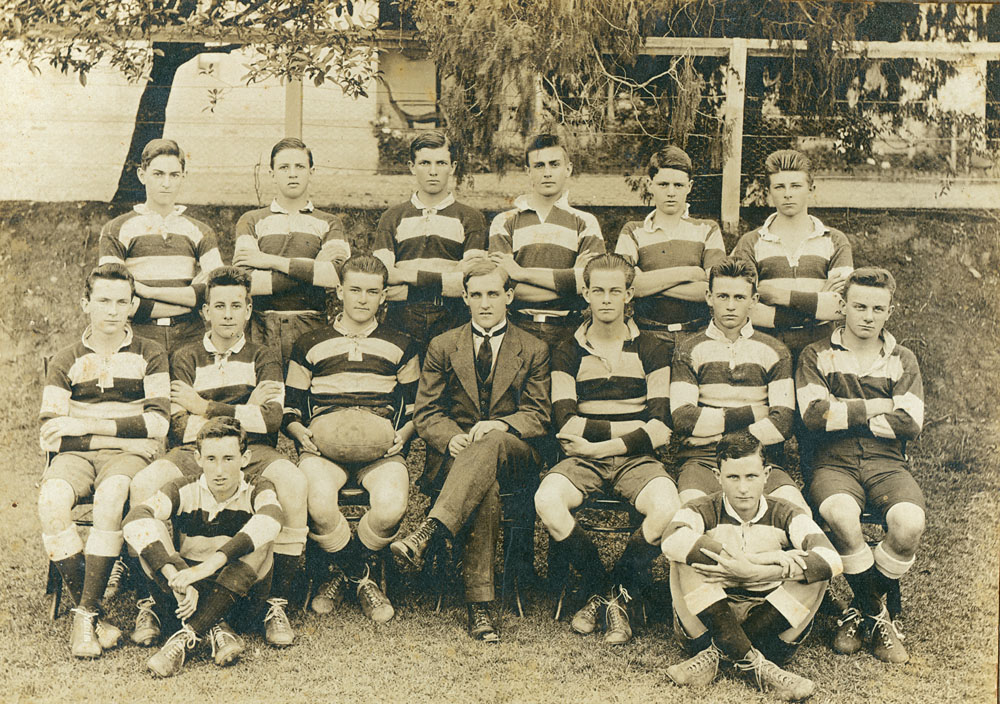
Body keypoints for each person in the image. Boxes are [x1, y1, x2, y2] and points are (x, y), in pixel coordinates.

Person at [127, 266, 308, 648]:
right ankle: (158, 596)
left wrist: (204, 406)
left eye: (236, 305)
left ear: (248, 310)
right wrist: (244, 407)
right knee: (144, 484)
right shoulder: (186, 356)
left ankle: (276, 602)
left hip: (255, 451)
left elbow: (270, 419)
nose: (228, 314)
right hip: (194, 451)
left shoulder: (265, 356)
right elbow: (179, 428)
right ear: (205, 311)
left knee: (292, 481)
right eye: (219, 305)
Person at [390, 260, 550, 643]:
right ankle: (480, 605)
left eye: (493, 294)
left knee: (490, 441)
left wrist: (500, 425)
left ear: (509, 296)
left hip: (515, 455)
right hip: (454, 458)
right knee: (486, 489)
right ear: (464, 297)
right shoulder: (444, 345)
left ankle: (428, 530)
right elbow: (427, 412)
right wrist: (450, 438)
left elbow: (539, 414)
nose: (485, 303)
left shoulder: (533, 348)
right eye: (475, 295)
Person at [534, 253, 678, 646]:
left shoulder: (653, 348)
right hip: (580, 458)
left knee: (668, 507)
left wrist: (603, 446)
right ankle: (604, 587)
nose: (606, 299)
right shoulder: (567, 349)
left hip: (635, 460)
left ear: (630, 293)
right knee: (548, 500)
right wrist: (630, 432)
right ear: (585, 293)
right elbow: (565, 422)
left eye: (616, 290)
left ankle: (612, 591)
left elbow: (661, 426)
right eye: (597, 290)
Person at [37, 263, 169, 658]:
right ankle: (92, 616)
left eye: (121, 302)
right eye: (103, 301)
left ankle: (84, 617)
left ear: (133, 305)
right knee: (51, 502)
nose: (112, 310)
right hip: (78, 456)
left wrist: (81, 423)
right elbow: (50, 430)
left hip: (124, 461)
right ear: (85, 303)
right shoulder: (67, 358)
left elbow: (158, 422)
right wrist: (118, 432)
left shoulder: (151, 352)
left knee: (112, 497)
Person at [796, 267, 924, 664]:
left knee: (909, 524)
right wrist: (880, 406)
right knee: (841, 514)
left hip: (887, 462)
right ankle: (876, 614)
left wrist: (844, 411)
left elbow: (910, 423)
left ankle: (860, 611)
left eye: (877, 308)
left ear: (889, 311)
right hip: (832, 461)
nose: (868, 316)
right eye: (859, 306)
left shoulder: (903, 358)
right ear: (843, 307)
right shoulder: (816, 354)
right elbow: (814, 416)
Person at [284, 255, 419, 624]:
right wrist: (301, 433)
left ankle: (341, 572)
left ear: (384, 296)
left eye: (372, 291)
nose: (362, 298)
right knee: (319, 504)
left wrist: (403, 435)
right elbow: (290, 408)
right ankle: (362, 575)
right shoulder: (309, 343)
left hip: (380, 454)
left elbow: (415, 409)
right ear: (339, 291)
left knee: (392, 507)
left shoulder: (402, 345)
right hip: (323, 453)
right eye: (354, 289)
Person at [662, 431, 842, 702]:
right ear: (717, 476)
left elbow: (831, 559)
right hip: (709, 621)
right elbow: (671, 540)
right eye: (733, 477)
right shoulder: (700, 508)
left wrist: (762, 571)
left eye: (751, 477)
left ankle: (717, 655)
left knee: (815, 574)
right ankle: (760, 667)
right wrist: (748, 563)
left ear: (767, 475)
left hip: (773, 625)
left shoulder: (786, 512)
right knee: (683, 558)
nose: (743, 488)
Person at [123, 418, 285, 677]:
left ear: (245, 458)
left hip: (238, 597)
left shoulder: (258, 487)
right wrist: (178, 579)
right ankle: (216, 628)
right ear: (198, 458)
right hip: (186, 596)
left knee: (262, 539)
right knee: (148, 529)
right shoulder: (183, 487)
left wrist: (208, 567)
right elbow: (134, 520)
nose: (219, 470)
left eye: (229, 459)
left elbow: (272, 519)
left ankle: (186, 637)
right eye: (211, 459)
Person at [670, 257, 808, 512]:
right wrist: (755, 413)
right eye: (723, 297)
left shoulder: (775, 350)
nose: (730, 306)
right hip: (703, 460)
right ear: (709, 297)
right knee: (688, 518)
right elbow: (684, 419)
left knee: (799, 513)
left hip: (759, 458)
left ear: (754, 300)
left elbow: (782, 423)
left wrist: (720, 436)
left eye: (739, 297)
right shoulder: (688, 349)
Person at [233, 137, 351, 367]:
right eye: (284, 167)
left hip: (312, 325)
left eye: (300, 167)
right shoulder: (250, 221)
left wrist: (268, 261)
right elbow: (247, 283)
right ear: (272, 173)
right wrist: (311, 271)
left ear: (312, 171)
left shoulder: (329, 223)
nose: (292, 174)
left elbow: (337, 275)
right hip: (261, 326)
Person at [99, 138, 224, 353]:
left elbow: (216, 291)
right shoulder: (117, 229)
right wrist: (188, 303)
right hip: (138, 335)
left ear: (183, 177)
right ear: (142, 175)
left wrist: (146, 291)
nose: (166, 183)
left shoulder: (200, 231)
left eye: (174, 175)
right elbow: (115, 296)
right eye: (158, 174)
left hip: (190, 335)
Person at [373, 130, 488, 357]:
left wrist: (406, 276)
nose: (433, 171)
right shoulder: (392, 216)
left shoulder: (471, 218)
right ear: (412, 166)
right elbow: (383, 276)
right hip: (402, 317)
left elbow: (465, 282)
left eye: (441, 163)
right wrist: (445, 278)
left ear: (453, 167)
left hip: (452, 317)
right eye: (425, 163)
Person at [489, 133, 605, 352]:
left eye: (554, 164)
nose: (547, 173)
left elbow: (593, 285)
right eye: (539, 165)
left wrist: (520, 273)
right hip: (518, 328)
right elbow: (502, 287)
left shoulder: (586, 223)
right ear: (528, 171)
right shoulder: (504, 222)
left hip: (570, 330)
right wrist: (571, 281)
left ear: (568, 169)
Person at [615, 146, 725, 348]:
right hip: (647, 335)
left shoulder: (707, 229)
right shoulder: (633, 231)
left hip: (698, 335)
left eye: (678, 185)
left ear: (690, 187)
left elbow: (715, 292)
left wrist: (648, 283)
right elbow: (623, 287)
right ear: (650, 184)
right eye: (663, 184)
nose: (671, 192)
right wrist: (691, 272)